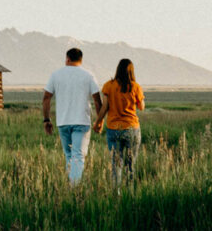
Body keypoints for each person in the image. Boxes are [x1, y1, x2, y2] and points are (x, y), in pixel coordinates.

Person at [42, 48, 102, 185]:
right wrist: (100, 120)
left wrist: (46, 120)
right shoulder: (88, 75)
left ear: (67, 59)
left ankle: (70, 184)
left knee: (69, 155)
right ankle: (74, 188)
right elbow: (97, 100)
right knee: (78, 156)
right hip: (81, 121)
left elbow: (46, 98)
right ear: (81, 60)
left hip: (63, 122)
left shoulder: (56, 75)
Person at [93, 58, 145, 186]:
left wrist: (98, 122)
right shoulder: (135, 87)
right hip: (132, 128)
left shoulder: (108, 86)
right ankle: (130, 195)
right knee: (130, 164)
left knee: (116, 164)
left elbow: (104, 107)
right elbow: (141, 107)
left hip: (113, 129)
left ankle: (117, 194)